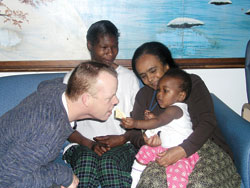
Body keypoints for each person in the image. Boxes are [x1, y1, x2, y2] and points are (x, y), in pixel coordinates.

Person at [125, 41, 240, 187]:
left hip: (200, 146)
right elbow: (134, 133)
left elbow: (207, 122)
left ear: (166, 65)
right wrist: (146, 140)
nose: (150, 79)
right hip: (163, 150)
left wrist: (183, 150)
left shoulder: (191, 83)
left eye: (153, 71)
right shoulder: (144, 95)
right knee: (153, 181)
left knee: (199, 183)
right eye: (143, 76)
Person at [0, 61, 119, 188]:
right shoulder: (47, 133)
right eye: (109, 98)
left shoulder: (59, 89)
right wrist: (63, 175)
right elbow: (5, 180)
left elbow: (44, 84)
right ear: (86, 99)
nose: (116, 101)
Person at [63, 20, 140, 187]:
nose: (111, 53)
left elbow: (139, 122)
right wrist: (89, 144)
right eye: (104, 48)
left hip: (122, 145)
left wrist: (122, 138)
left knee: (108, 164)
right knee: (86, 163)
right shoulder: (73, 78)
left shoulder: (128, 78)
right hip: (82, 144)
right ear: (90, 45)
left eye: (114, 47)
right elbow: (63, 124)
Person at [122, 68, 199, 188]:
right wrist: (153, 117)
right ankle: (134, 181)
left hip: (181, 153)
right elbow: (164, 122)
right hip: (165, 148)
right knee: (144, 151)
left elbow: (159, 121)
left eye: (165, 91)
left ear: (181, 95)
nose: (159, 94)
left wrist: (135, 123)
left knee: (176, 176)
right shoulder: (171, 110)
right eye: (159, 90)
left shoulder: (176, 109)